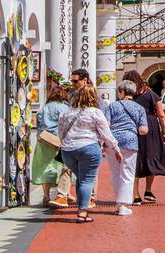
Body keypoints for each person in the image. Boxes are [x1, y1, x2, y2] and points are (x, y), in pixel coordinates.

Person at [56, 83, 119, 223]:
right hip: (89, 147)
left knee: (81, 178)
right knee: (86, 180)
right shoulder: (95, 112)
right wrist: (115, 148)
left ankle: (81, 207)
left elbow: (60, 132)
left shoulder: (66, 112)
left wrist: (65, 143)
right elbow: (106, 133)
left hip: (68, 151)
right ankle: (82, 212)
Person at [103, 79, 148, 216]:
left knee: (115, 173)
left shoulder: (112, 106)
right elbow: (144, 130)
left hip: (113, 142)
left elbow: (106, 124)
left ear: (122, 92)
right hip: (130, 142)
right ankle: (124, 205)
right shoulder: (139, 108)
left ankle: (118, 203)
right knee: (127, 173)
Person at [130, 71, 165, 203]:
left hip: (134, 127)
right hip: (150, 127)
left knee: (134, 161)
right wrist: (164, 131)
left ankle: (136, 196)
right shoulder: (152, 95)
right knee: (151, 156)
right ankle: (148, 191)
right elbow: (161, 115)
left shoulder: (129, 97)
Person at [31, 80, 70, 208]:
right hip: (59, 141)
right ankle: (64, 194)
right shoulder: (64, 107)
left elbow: (38, 126)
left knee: (45, 168)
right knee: (62, 168)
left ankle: (46, 196)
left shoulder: (44, 108)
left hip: (44, 141)